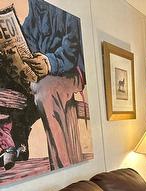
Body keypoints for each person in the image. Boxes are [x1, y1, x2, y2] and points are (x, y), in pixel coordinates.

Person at [0, 0, 86, 171]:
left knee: (45, 88)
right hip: (40, 71)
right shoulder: (37, 5)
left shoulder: (71, 9)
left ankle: (63, 167)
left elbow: (72, 48)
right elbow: (29, 36)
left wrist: (50, 63)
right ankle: (12, 143)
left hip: (69, 70)